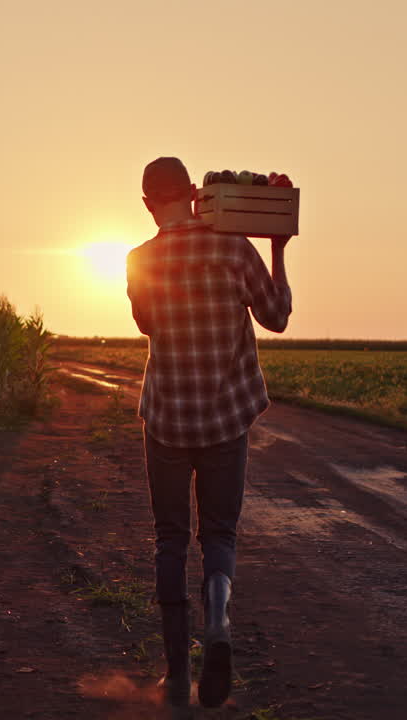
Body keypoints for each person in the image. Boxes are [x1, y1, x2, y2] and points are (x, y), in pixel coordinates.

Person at [125, 157, 292, 713]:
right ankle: (218, 620)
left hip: (168, 421)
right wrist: (278, 246)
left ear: (148, 203)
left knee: (169, 539)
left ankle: (175, 676)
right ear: (194, 192)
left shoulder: (138, 260)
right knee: (219, 535)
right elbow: (278, 316)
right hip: (225, 419)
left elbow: (147, 324)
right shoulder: (233, 248)